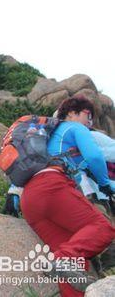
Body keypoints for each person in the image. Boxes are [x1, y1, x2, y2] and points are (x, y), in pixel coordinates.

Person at [20, 96, 115, 296]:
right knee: (102, 228)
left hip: (29, 198)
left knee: (75, 263)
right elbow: (95, 157)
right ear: (71, 113)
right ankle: (60, 258)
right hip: (52, 187)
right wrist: (106, 184)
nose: (89, 123)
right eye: (88, 116)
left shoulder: (45, 136)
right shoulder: (72, 127)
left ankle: (62, 263)